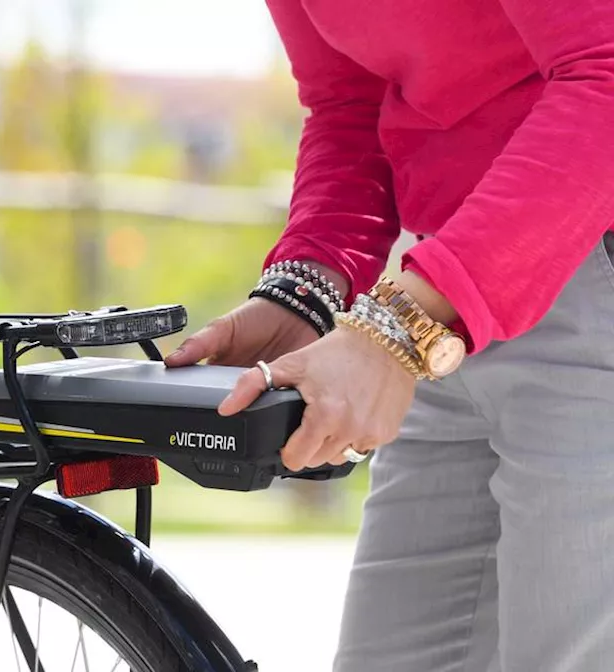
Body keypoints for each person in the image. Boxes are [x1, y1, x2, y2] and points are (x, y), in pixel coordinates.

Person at [164, 2, 614, 670]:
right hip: (443, 296)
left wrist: (404, 324)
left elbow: (605, 72)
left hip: (571, 274)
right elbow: (349, 104)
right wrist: (306, 288)